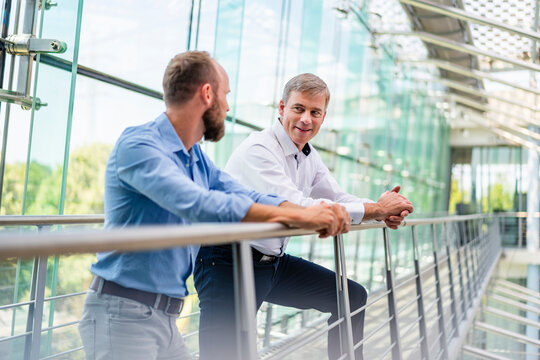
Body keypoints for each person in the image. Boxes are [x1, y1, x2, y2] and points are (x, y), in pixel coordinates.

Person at [78, 53, 350, 360]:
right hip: (123, 315)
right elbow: (198, 204)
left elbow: (247, 195)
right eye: (225, 96)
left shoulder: (195, 157)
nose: (228, 107)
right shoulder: (140, 144)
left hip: (165, 317)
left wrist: (305, 212)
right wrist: (299, 213)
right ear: (208, 94)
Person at [195, 73, 413, 360]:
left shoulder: (309, 155)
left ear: (323, 117)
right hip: (228, 264)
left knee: (351, 297)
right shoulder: (259, 149)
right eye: (299, 109)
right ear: (282, 108)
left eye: (315, 112)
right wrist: (378, 209)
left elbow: (339, 199)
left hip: (271, 264)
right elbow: (297, 206)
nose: (306, 119)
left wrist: (384, 212)